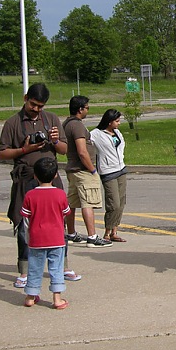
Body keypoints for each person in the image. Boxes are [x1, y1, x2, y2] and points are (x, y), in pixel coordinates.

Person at [0, 83, 81, 287]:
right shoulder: (12, 123)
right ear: (26, 98)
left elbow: (63, 149)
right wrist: (24, 150)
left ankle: (63, 265)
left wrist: (54, 141)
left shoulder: (51, 119)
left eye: (40, 106)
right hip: (26, 178)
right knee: (24, 224)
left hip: (50, 178)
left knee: (58, 222)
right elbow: (2, 153)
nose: (36, 109)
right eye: (33, 104)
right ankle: (25, 270)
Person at [21, 157, 70, 310]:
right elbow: (64, 214)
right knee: (56, 267)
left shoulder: (30, 195)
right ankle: (57, 298)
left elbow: (26, 220)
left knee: (35, 267)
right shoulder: (60, 194)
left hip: (36, 238)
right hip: (56, 238)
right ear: (55, 175)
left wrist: (29, 237)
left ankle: (31, 295)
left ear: (35, 175)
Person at [63, 96, 109, 247]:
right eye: (87, 108)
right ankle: (92, 236)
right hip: (82, 170)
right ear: (80, 109)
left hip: (72, 170)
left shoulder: (67, 123)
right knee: (87, 202)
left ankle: (71, 233)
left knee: (72, 202)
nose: (88, 110)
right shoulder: (77, 126)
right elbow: (82, 151)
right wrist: (92, 169)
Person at [90, 109, 128, 242]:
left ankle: (114, 231)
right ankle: (107, 232)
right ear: (109, 121)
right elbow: (85, 143)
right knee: (114, 204)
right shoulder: (96, 134)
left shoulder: (117, 133)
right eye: (117, 121)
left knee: (121, 202)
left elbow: (121, 147)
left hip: (121, 169)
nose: (119, 123)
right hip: (108, 172)